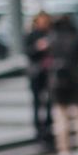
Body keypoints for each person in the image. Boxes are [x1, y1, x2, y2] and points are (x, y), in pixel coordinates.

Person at [46, 15, 78, 155]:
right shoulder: (77, 39)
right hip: (76, 80)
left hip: (58, 83)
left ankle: (64, 152)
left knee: (60, 118)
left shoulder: (51, 40)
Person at [24, 11, 53, 144]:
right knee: (37, 102)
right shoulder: (31, 35)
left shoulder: (51, 34)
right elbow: (28, 52)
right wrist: (38, 47)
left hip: (49, 73)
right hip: (37, 73)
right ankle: (38, 130)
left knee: (49, 102)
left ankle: (48, 128)